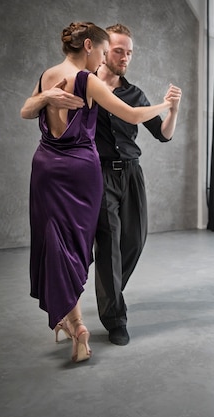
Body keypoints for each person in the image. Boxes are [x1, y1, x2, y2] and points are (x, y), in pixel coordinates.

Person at [21, 22, 179, 362]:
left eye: (126, 52)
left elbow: (26, 111)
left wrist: (172, 110)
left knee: (104, 243)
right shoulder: (87, 80)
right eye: (113, 50)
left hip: (87, 171)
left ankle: (83, 311)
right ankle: (102, 319)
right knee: (93, 247)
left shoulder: (54, 76)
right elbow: (134, 115)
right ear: (95, 48)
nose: (119, 57)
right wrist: (165, 105)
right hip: (90, 175)